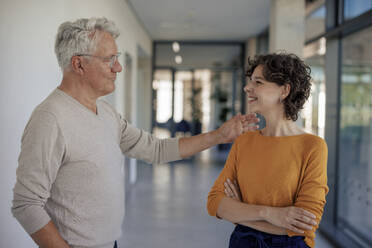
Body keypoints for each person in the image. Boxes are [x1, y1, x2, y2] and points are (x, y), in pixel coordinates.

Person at [11, 17, 259, 248]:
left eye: (116, 58)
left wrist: (219, 136)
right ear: (79, 64)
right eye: (109, 59)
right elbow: (27, 204)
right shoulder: (50, 119)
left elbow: (156, 149)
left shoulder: (106, 113)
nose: (118, 67)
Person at [207, 53, 328, 248]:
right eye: (250, 82)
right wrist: (270, 214)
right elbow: (214, 203)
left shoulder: (313, 147)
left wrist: (241, 213)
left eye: (258, 82)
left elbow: (304, 225)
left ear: (284, 90)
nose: (248, 88)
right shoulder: (244, 141)